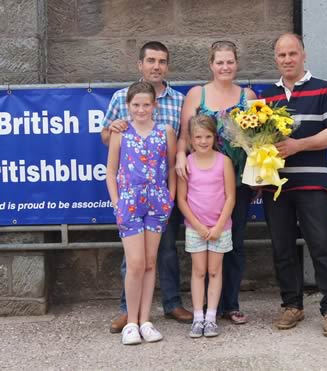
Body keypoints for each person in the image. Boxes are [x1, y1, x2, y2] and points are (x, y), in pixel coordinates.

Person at [260, 32, 327, 337]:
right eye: (282, 55)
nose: (287, 60)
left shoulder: (325, 89)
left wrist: (299, 145)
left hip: (312, 183)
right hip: (276, 186)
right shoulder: (265, 96)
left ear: (303, 55)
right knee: (282, 248)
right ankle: (291, 305)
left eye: (292, 54)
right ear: (275, 59)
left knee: (321, 246)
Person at [101, 41, 192, 334]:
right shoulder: (120, 97)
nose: (156, 66)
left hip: (161, 191)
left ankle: (170, 304)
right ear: (140, 64)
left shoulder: (178, 100)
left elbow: (182, 140)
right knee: (134, 258)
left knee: (165, 251)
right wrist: (113, 128)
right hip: (132, 195)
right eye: (151, 60)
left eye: (162, 61)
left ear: (167, 65)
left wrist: (172, 193)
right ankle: (128, 312)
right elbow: (107, 138)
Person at [175, 41, 257, 324]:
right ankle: (206, 308)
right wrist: (179, 158)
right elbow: (185, 135)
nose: (225, 67)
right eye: (219, 62)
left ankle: (229, 304)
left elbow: (259, 140)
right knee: (202, 244)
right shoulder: (198, 94)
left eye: (230, 62)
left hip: (238, 182)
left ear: (237, 64)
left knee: (234, 241)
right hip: (202, 184)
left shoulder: (248, 95)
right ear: (211, 64)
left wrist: (260, 175)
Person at [106, 81, 176, 345]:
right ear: (128, 106)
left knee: (149, 262)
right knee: (134, 263)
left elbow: (170, 168)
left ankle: (145, 320)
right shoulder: (121, 133)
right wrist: (117, 202)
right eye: (136, 104)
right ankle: (131, 322)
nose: (141, 109)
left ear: (154, 105)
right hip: (130, 203)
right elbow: (111, 171)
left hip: (157, 204)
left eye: (146, 104)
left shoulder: (165, 131)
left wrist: (169, 199)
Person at [178, 115, 236, 338]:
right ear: (191, 140)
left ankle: (211, 317)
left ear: (215, 137)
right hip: (195, 228)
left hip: (221, 227)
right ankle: (198, 317)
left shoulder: (224, 161)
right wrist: (198, 226)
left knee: (214, 271)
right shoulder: (187, 164)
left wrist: (219, 226)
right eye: (198, 137)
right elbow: (181, 200)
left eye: (208, 136)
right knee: (199, 271)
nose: (203, 141)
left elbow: (230, 196)